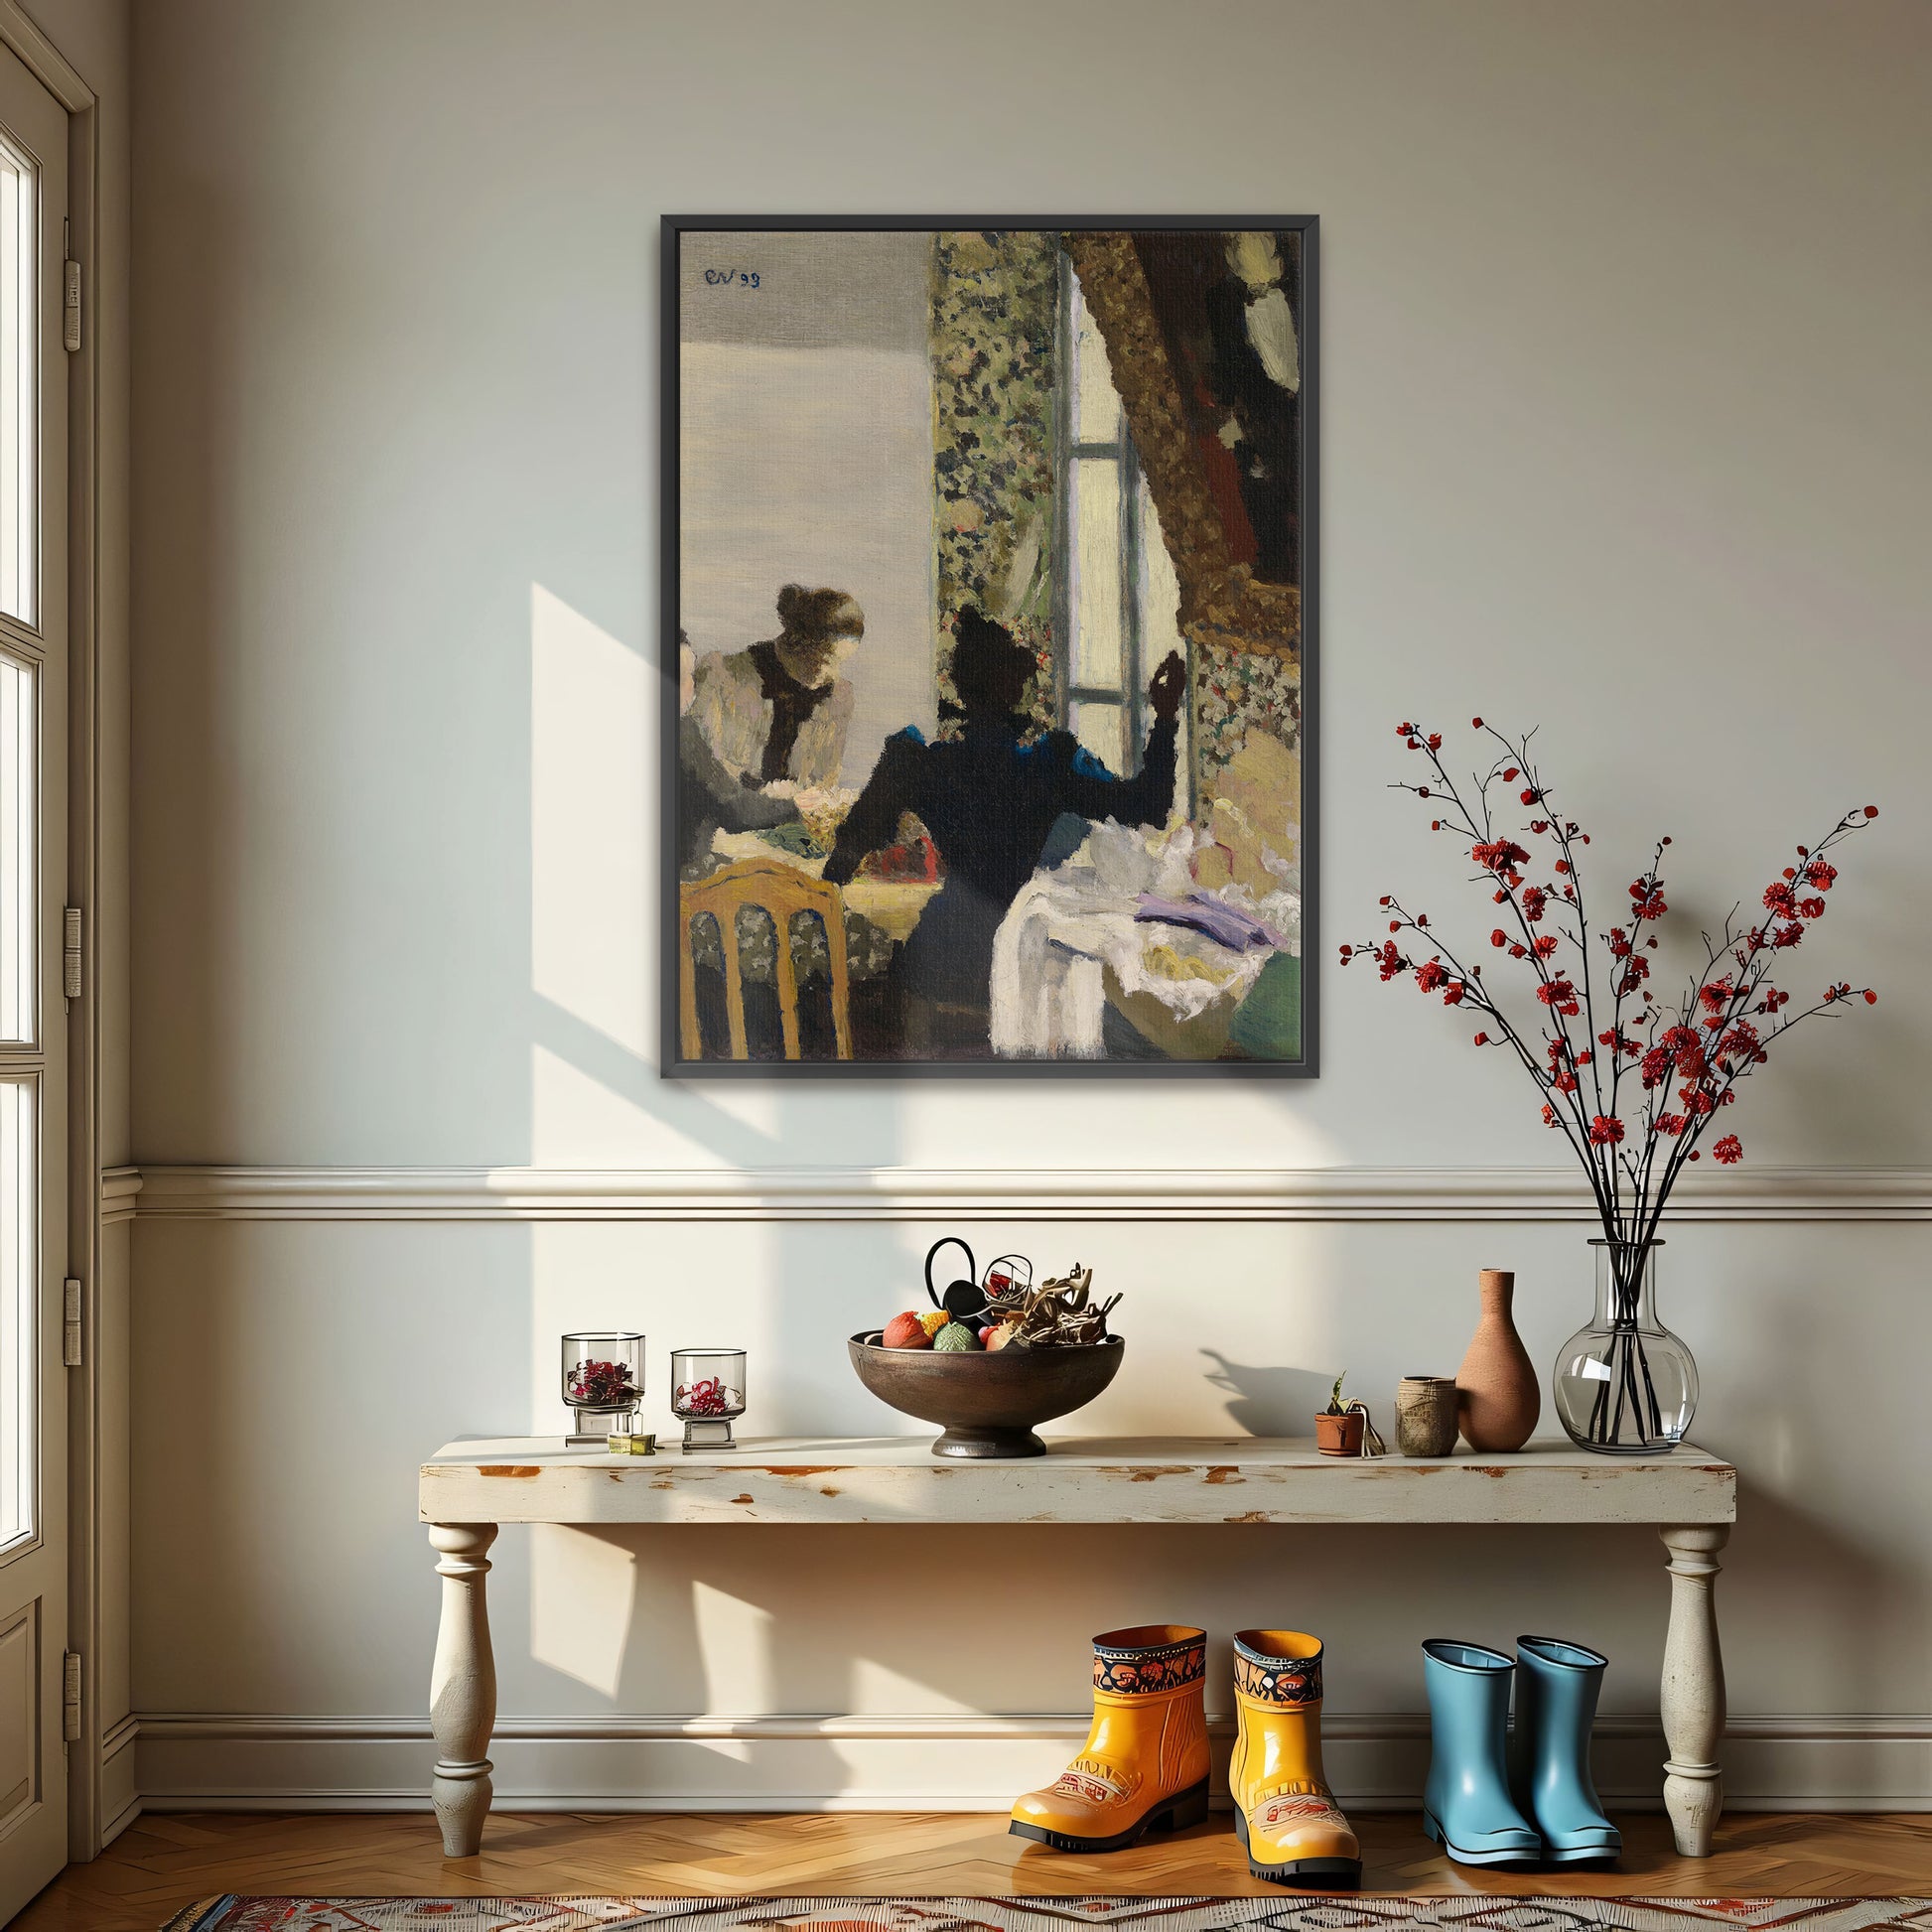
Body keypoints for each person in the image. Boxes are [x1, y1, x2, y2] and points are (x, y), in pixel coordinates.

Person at [824, 608, 1182, 1053]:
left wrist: (820, 901)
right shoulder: (1050, 763)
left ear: (959, 686)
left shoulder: (916, 760)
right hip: (1017, 953)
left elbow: (848, 848)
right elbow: (1149, 806)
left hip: (940, 954)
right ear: (1015, 688)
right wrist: (1165, 719)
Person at [687, 584, 865, 791]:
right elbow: (697, 767)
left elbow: (824, 783)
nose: (833, 674)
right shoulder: (721, 678)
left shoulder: (836, 698)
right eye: (827, 660)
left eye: (841, 663)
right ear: (798, 642)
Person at [675, 631, 800, 875]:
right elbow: (736, 811)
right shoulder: (681, 732)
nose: (693, 685)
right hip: (686, 877)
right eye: (685, 677)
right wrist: (795, 807)